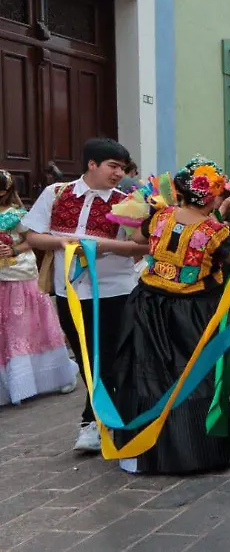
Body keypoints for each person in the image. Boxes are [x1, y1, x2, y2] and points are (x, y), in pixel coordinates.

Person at [111, 157, 230, 475]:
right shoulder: (214, 231)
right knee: (192, 373)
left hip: (147, 304)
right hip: (191, 310)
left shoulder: (160, 216)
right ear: (210, 197)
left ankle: (142, 451)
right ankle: (196, 452)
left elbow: (139, 240)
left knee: (144, 371)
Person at [23, 138, 145, 453]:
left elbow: (142, 246)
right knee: (86, 355)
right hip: (71, 292)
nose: (119, 173)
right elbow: (33, 235)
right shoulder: (57, 193)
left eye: (122, 167)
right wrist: (66, 244)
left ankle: (93, 422)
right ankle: (106, 417)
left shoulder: (127, 201)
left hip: (115, 290)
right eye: (113, 166)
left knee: (108, 356)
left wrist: (101, 247)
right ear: (92, 164)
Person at [0, 170, 78, 406]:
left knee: (24, 328)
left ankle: (56, 373)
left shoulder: (17, 215)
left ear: (5, 191)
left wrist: (13, 249)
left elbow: (30, 240)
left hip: (18, 276)